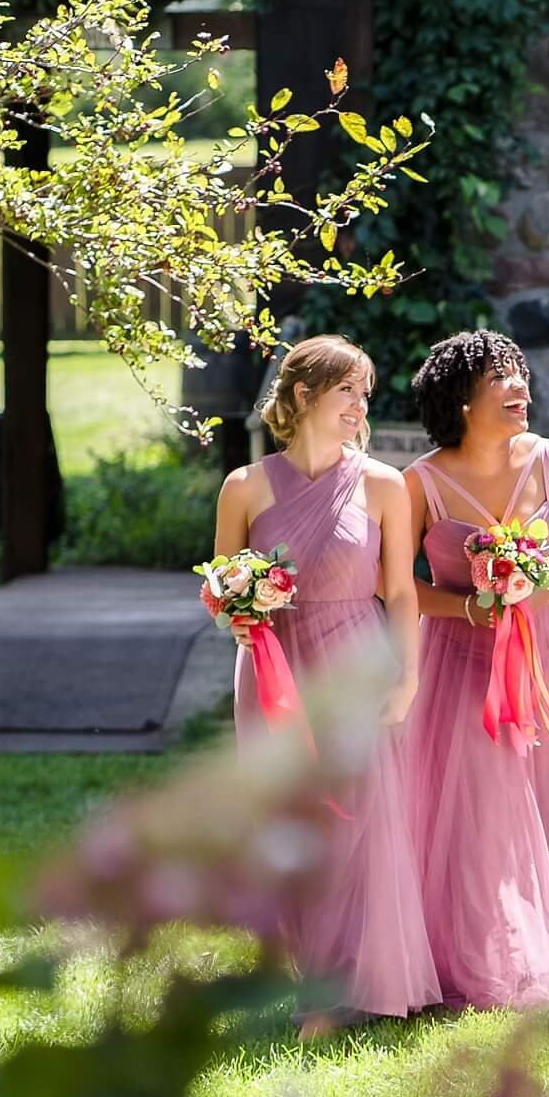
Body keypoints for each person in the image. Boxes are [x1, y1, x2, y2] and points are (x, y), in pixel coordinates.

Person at [405, 331, 549, 1010]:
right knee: (482, 801)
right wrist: (466, 608)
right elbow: (390, 584)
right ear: (460, 399)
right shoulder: (418, 483)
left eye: (520, 375)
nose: (520, 390)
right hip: (461, 658)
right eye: (501, 380)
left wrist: (536, 592)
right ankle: (490, 941)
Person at [213, 334, 438, 1033]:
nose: (361, 406)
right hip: (275, 671)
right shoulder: (244, 487)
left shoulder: (382, 485)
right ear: (304, 394)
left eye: (365, 393)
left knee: (360, 823)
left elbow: (401, 593)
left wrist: (404, 678)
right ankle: (299, 982)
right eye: (348, 391)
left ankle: (352, 987)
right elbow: (220, 592)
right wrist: (242, 603)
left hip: (353, 666)